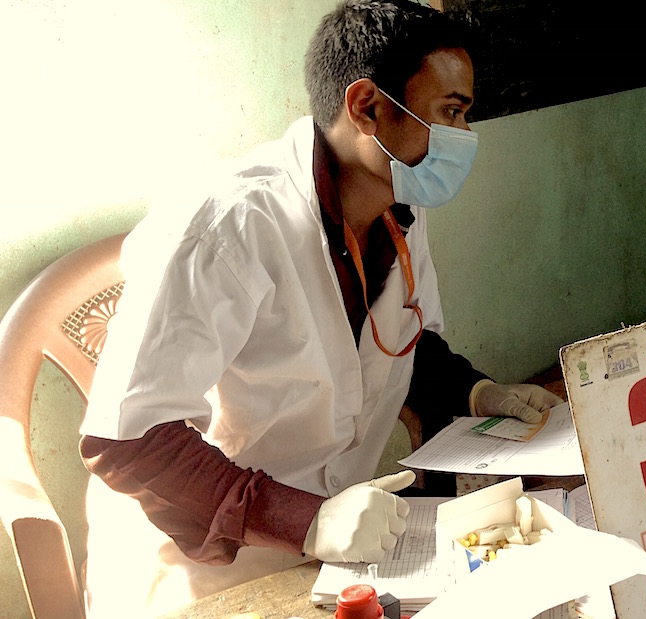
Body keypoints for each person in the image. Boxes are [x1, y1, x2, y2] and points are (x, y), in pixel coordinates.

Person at [76, 2, 562, 617]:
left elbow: (399, 344)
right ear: (367, 107)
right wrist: (306, 521)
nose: (463, 141)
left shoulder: (399, 212)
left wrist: (480, 393)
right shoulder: (228, 229)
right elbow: (130, 439)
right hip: (212, 573)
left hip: (335, 557)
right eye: (450, 114)